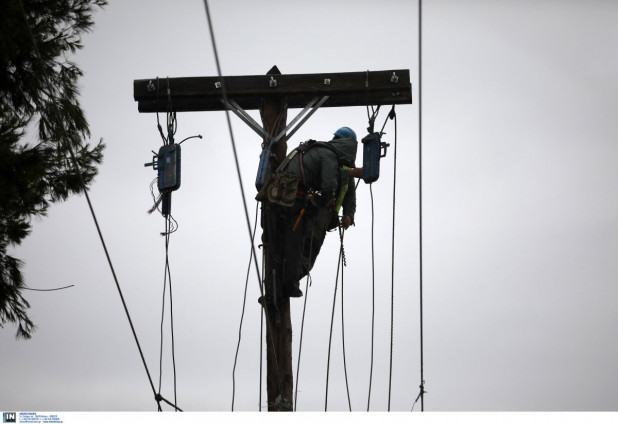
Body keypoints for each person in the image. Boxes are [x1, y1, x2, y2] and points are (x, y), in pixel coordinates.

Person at [260, 127, 363, 304]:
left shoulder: (314, 149)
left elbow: (348, 193)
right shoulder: (329, 156)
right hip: (293, 202)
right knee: (296, 245)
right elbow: (328, 187)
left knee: (276, 246)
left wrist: (348, 214)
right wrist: (322, 206)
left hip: (274, 199)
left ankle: (273, 293)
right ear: (348, 147)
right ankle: (288, 285)